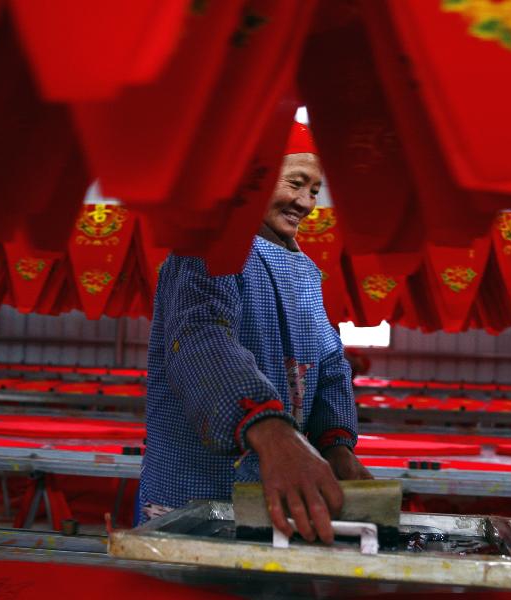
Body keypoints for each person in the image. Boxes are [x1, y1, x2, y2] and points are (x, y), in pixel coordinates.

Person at [138, 122, 371, 544]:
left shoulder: (305, 270)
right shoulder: (206, 250)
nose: (306, 202)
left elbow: (330, 364)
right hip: (196, 487)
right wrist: (272, 431)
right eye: (295, 184)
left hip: (279, 492)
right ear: (253, 180)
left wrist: (338, 446)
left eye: (315, 191)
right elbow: (200, 341)